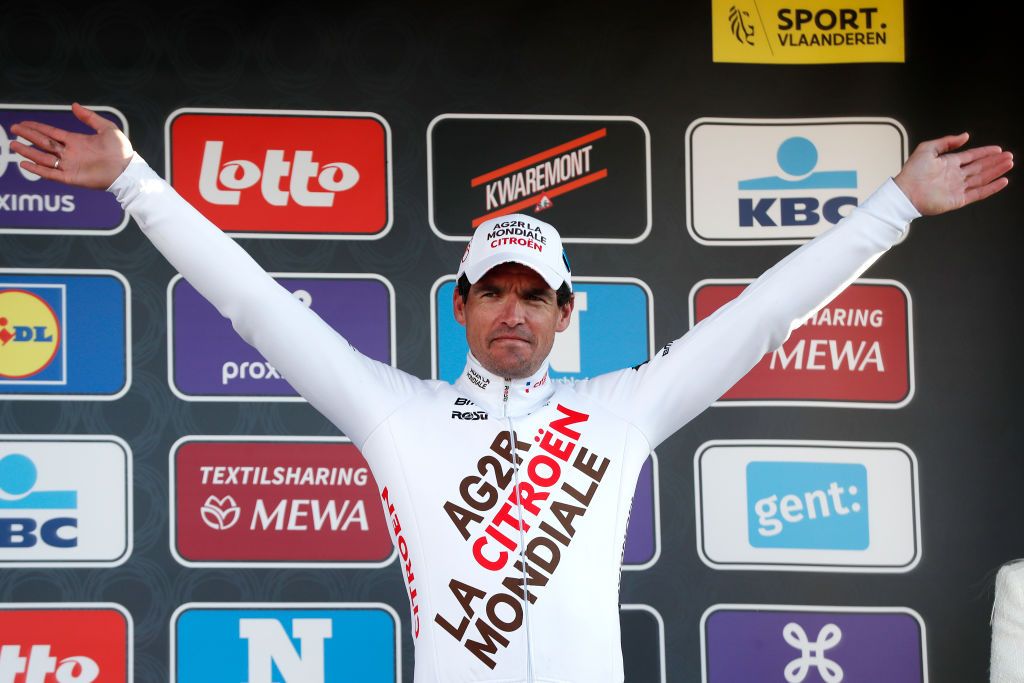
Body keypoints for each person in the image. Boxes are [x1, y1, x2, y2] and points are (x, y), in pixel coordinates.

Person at [10, 105, 1013, 683]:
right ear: (460, 305)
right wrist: (136, 180)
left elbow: (760, 315)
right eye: (493, 290)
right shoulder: (390, 409)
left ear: (566, 313)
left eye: (535, 295)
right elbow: (256, 303)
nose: (513, 312)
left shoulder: (623, 409)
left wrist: (891, 207)